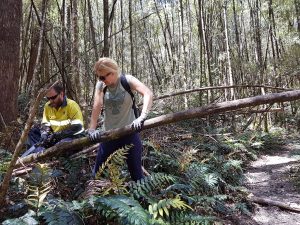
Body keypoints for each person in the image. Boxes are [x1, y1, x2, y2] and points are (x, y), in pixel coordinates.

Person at [88, 57, 153, 181]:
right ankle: (94, 200)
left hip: (129, 132)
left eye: (103, 77)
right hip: (108, 134)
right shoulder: (101, 86)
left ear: (112, 72)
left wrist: (142, 117)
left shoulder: (127, 80)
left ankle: (141, 199)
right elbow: (97, 106)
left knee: (137, 175)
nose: (101, 80)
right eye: (99, 77)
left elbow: (148, 93)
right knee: (97, 176)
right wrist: (92, 129)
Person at [22, 81, 85, 157]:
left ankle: (49, 155)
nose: (51, 101)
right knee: (31, 132)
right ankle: (42, 154)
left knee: (62, 144)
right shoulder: (47, 106)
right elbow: (45, 124)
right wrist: (44, 134)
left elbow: (77, 127)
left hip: (73, 137)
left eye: (53, 97)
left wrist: (58, 135)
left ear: (61, 94)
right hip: (56, 137)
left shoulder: (72, 105)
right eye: (48, 98)